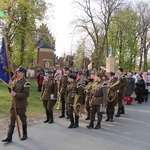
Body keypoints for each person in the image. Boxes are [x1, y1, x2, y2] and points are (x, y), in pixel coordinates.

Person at [2, 66, 30, 143]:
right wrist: (9, 86)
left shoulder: (26, 82)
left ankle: (25, 133)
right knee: (12, 119)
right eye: (17, 72)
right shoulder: (15, 81)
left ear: (23, 73)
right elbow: (11, 91)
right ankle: (9, 136)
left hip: (21, 104)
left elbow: (26, 94)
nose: (17, 73)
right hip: (13, 103)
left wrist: (16, 94)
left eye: (19, 72)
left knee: (22, 118)